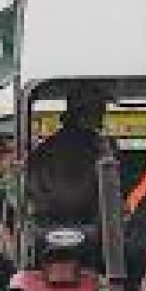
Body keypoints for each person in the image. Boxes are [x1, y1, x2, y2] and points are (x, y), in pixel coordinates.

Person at [26, 83, 108, 223]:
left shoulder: (44, 149)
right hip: (90, 226)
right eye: (99, 108)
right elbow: (81, 194)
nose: (102, 114)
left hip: (46, 225)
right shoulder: (94, 149)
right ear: (83, 113)